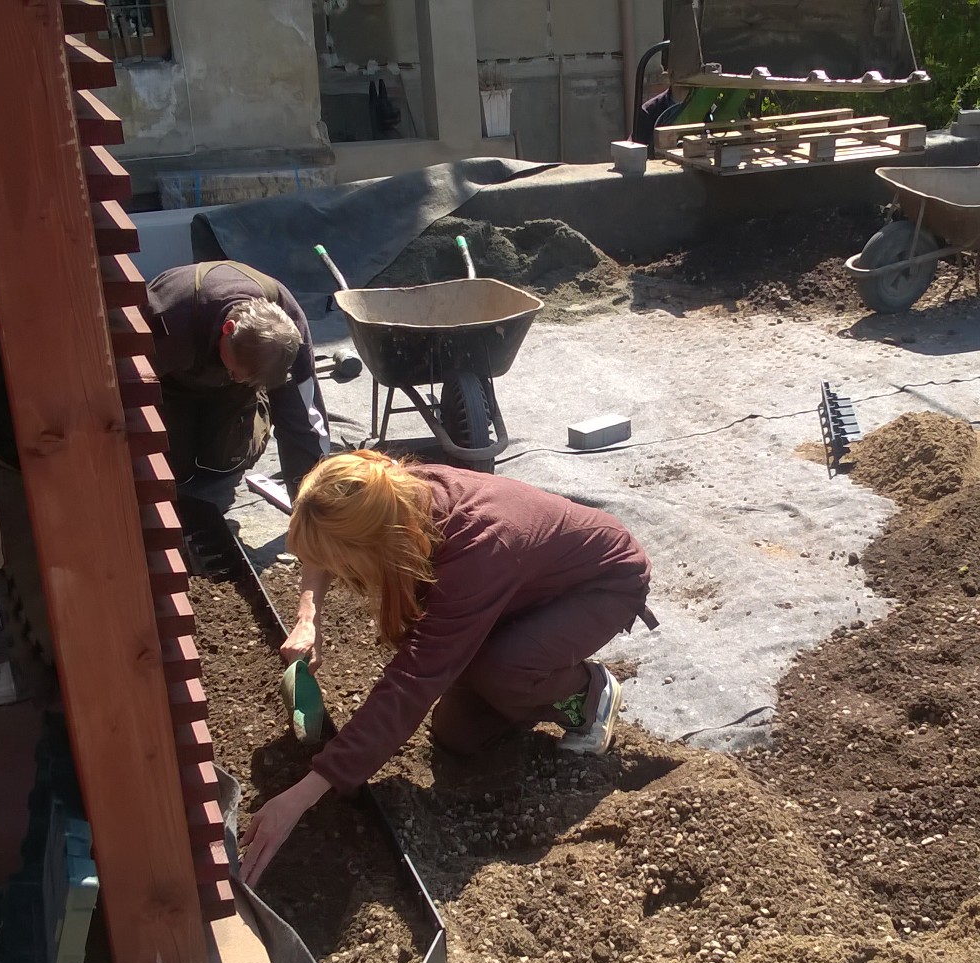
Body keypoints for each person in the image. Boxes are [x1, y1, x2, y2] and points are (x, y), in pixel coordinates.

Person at [239, 450, 654, 885]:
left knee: (501, 669)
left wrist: (303, 794)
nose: (341, 574)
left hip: (602, 584)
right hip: (520, 589)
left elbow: (414, 680)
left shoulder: (475, 548)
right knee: (458, 735)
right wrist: (308, 618)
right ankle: (526, 680)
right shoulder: (385, 496)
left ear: (375, 543)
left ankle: (588, 695)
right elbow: (319, 547)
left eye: (346, 563)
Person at [146, 261, 331, 489]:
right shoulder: (169, 316)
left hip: (233, 393)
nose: (238, 376)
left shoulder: (290, 331)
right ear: (228, 328)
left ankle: (260, 407)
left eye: (247, 376)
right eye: (236, 371)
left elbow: (304, 424)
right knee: (172, 474)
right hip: (171, 386)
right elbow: (127, 389)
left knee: (220, 465)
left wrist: (310, 504)